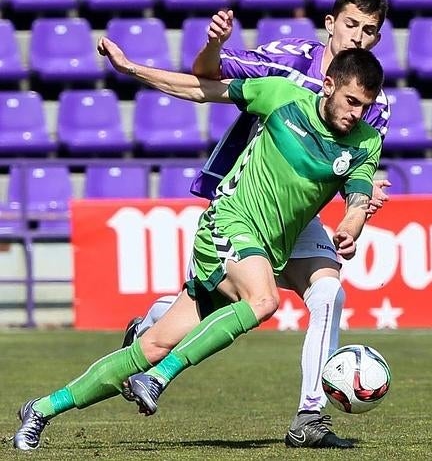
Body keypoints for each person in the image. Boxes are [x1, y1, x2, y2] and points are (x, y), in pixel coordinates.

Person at [13, 43, 384, 452]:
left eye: (364, 106)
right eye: (350, 101)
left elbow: (358, 196)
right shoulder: (281, 96)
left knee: (151, 345)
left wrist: (351, 226)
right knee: (263, 300)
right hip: (227, 224)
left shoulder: (365, 141)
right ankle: (159, 379)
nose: (355, 114)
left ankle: (41, 409)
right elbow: (201, 89)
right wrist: (133, 67)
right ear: (328, 85)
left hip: (269, 248)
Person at [122, 0, 391, 448]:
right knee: (226, 302)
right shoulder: (289, 62)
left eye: (370, 31)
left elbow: (358, 175)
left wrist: (358, 208)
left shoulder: (374, 102)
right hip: (244, 200)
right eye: (351, 25)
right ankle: (153, 325)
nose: (358, 37)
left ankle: (310, 416)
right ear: (330, 24)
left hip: (297, 215)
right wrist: (213, 45)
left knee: (328, 292)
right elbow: (207, 78)